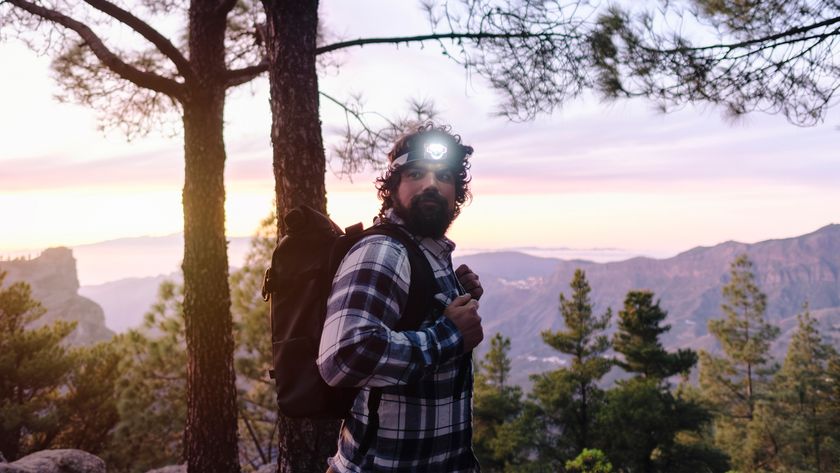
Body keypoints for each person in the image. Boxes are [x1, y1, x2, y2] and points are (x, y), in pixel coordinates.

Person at [317, 123, 485, 472]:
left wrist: (451, 292)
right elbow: (342, 356)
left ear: (456, 192)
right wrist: (450, 336)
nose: (431, 185)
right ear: (393, 186)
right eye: (416, 173)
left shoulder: (424, 252)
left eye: (444, 176)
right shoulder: (384, 251)